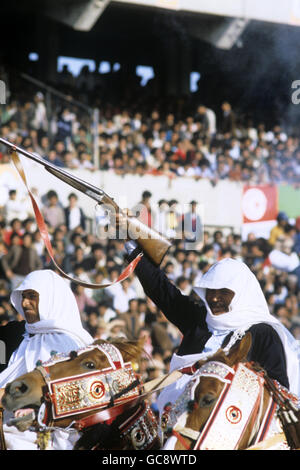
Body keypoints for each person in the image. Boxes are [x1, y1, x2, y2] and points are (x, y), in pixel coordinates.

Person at [122, 240, 300, 419]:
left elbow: (277, 389)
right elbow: (162, 291)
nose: (214, 298)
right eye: (210, 291)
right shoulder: (199, 319)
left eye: (223, 292)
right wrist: (133, 247)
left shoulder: (262, 333)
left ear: (240, 293)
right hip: (172, 422)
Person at [0, 269, 93, 450]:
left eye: (32, 296)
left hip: (56, 436)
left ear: (51, 298)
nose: (25, 303)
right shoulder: (18, 335)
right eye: (23, 296)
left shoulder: (75, 343)